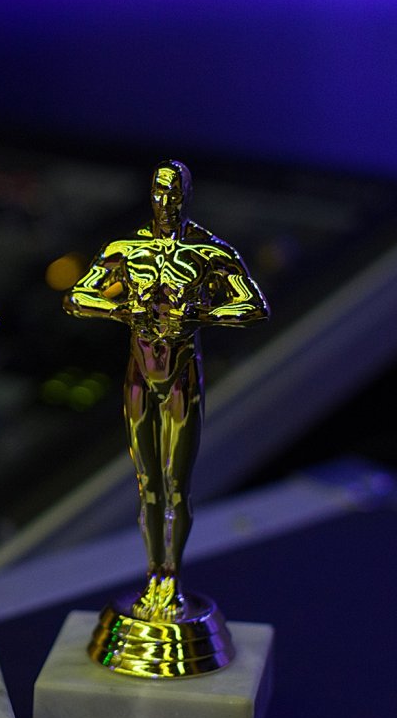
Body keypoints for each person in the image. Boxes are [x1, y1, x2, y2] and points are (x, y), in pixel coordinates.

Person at [65, 161, 268, 621]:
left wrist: (199, 314)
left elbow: (254, 305)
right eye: (160, 192)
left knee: (177, 485)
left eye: (174, 193)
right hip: (140, 375)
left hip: (182, 376)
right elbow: (78, 297)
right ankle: (154, 575)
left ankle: (170, 579)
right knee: (147, 485)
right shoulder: (126, 250)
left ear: (186, 197)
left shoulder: (208, 253)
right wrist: (124, 310)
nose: (166, 201)